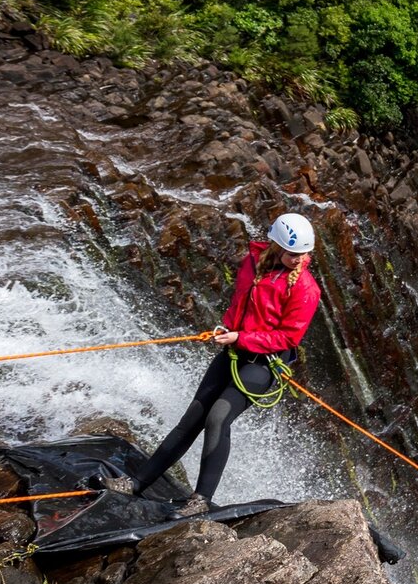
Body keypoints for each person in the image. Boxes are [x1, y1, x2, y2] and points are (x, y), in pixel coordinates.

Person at [101, 213, 321, 516]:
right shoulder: (254, 262)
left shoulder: (305, 289)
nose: (299, 259)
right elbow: (240, 302)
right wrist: (227, 329)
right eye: (293, 253)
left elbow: (287, 337)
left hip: (264, 361)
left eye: (303, 254)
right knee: (193, 416)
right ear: (276, 245)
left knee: (218, 417)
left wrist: (240, 337)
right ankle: (137, 483)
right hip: (235, 348)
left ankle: (201, 499)